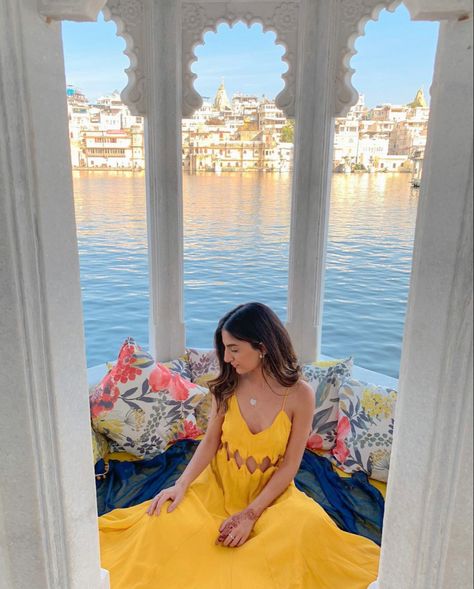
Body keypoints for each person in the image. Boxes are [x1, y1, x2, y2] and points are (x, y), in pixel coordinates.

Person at [99, 302, 380, 588]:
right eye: (224, 348)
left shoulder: (300, 395)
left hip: (271, 496)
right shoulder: (228, 385)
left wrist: (250, 515)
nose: (227, 357)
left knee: (304, 527)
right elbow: (210, 442)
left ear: (263, 346)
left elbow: (290, 465)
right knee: (161, 520)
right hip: (217, 487)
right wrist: (181, 485)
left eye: (234, 348)